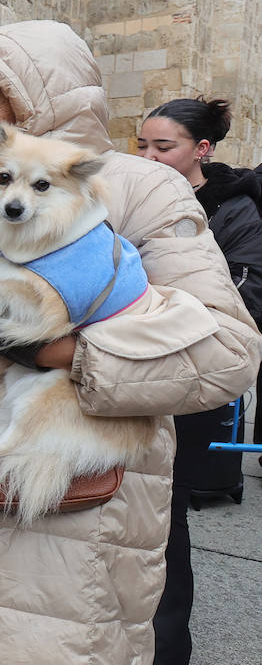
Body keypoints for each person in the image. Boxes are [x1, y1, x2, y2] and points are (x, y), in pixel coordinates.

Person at [0, 21, 260, 665]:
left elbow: (227, 350)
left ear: (39, 104)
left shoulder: (141, 188)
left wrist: (60, 354)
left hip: (66, 514)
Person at [139, 97, 262, 664]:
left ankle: (166, 649)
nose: (148, 157)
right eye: (141, 145)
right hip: (131, 380)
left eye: (163, 147)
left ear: (202, 149)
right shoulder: (133, 196)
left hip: (187, 390)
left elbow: (243, 305)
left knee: (165, 526)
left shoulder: (237, 212)